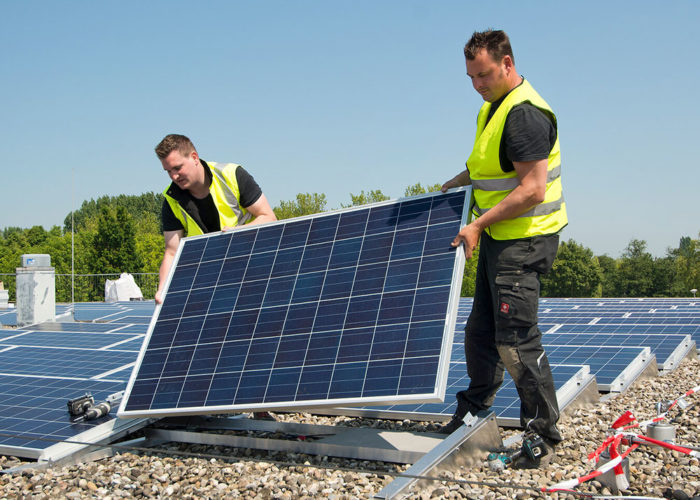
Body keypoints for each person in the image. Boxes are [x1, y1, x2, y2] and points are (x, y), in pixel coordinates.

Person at [438, 30, 567, 469]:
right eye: (471, 76)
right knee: (482, 332)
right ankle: (474, 410)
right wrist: (461, 181)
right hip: (500, 237)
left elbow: (532, 189)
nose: (477, 83)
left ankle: (542, 436)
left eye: (484, 74)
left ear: (507, 63)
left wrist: (476, 223)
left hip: (524, 238)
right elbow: (492, 168)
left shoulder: (525, 114)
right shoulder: (492, 108)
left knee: (515, 340)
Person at [154, 134, 277, 305]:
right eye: (168, 171)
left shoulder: (232, 175)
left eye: (177, 168)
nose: (174, 176)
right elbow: (171, 251)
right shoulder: (171, 198)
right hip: (209, 279)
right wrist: (162, 289)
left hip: (251, 270)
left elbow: (269, 217)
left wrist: (238, 233)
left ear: (194, 157)